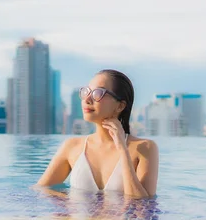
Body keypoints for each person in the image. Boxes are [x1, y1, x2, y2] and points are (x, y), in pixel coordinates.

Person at [36, 69, 159, 198]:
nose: (87, 99)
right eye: (87, 92)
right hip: (79, 218)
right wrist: (70, 201)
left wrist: (123, 149)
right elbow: (40, 190)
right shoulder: (71, 146)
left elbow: (144, 206)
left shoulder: (145, 148)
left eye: (98, 93)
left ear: (120, 106)